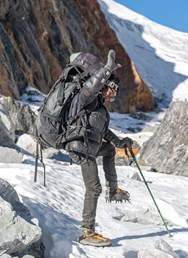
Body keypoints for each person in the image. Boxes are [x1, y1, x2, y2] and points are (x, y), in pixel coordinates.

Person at [65, 50, 133, 247]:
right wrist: (106, 70)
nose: (114, 94)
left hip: (89, 146)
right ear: (104, 86)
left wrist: (120, 142)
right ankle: (87, 232)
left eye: (116, 91)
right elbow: (90, 87)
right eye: (112, 89)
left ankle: (113, 190)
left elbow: (104, 132)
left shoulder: (100, 110)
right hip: (80, 147)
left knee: (109, 151)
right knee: (93, 188)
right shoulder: (87, 98)